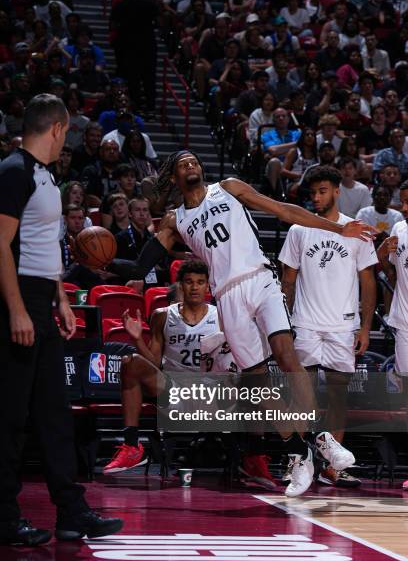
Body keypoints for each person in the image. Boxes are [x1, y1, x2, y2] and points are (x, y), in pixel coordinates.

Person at [108, 149, 376, 498]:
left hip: (261, 280)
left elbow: (283, 211)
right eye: (183, 164)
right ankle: (300, 450)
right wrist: (104, 260)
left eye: (195, 161)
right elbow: (137, 266)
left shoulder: (229, 187)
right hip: (227, 297)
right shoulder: (174, 221)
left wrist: (340, 228)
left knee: (286, 355)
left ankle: (319, 440)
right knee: (256, 380)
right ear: (174, 177)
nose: (192, 165)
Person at [0, 93, 122, 546]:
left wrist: (62, 300)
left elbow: (43, 246)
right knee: (12, 416)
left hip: (44, 300)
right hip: (17, 299)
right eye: (66, 131)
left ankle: (71, 512)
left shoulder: (47, 177)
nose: (65, 139)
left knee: (55, 412)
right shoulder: (14, 172)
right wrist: (16, 309)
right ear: (56, 128)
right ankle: (5, 517)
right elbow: (1, 246)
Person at [279, 165, 378, 488]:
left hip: (342, 327)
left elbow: (368, 281)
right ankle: (297, 461)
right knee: (300, 397)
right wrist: (285, 323)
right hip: (305, 324)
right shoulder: (298, 229)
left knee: (338, 398)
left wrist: (364, 328)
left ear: (337, 191)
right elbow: (288, 281)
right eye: (313, 192)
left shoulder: (357, 230)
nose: (317, 197)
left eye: (323, 191)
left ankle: (332, 468)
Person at [102, 261, 222, 474]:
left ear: (208, 287)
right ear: (180, 286)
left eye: (200, 282)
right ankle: (131, 446)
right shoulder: (163, 315)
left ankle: (253, 456)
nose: (194, 287)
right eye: (189, 282)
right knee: (130, 361)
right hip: (172, 389)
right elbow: (154, 362)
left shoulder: (220, 316)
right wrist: (138, 339)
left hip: (207, 391)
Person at [376, 182, 408, 491]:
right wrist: (384, 254)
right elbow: (388, 269)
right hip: (405, 323)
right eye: (404, 202)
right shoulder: (399, 227)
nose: (406, 207)